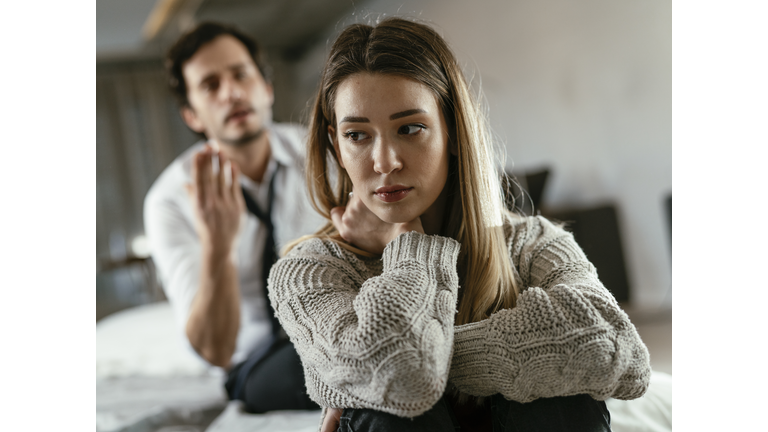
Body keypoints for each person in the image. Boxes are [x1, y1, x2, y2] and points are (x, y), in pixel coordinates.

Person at [266, 17, 652, 432]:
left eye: (410, 128)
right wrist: (409, 245)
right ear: (336, 146)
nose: (384, 162)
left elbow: (620, 352)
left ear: (451, 131)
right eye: (357, 135)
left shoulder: (531, 244)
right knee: (384, 409)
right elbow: (402, 384)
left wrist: (410, 360)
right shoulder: (307, 272)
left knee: (564, 400)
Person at [143, 22, 323, 413]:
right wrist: (219, 247)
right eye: (210, 85)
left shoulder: (325, 156)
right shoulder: (168, 201)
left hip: (335, 332)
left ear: (266, 87)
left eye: (241, 74)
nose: (232, 92)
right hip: (253, 362)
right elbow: (215, 349)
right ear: (192, 115)